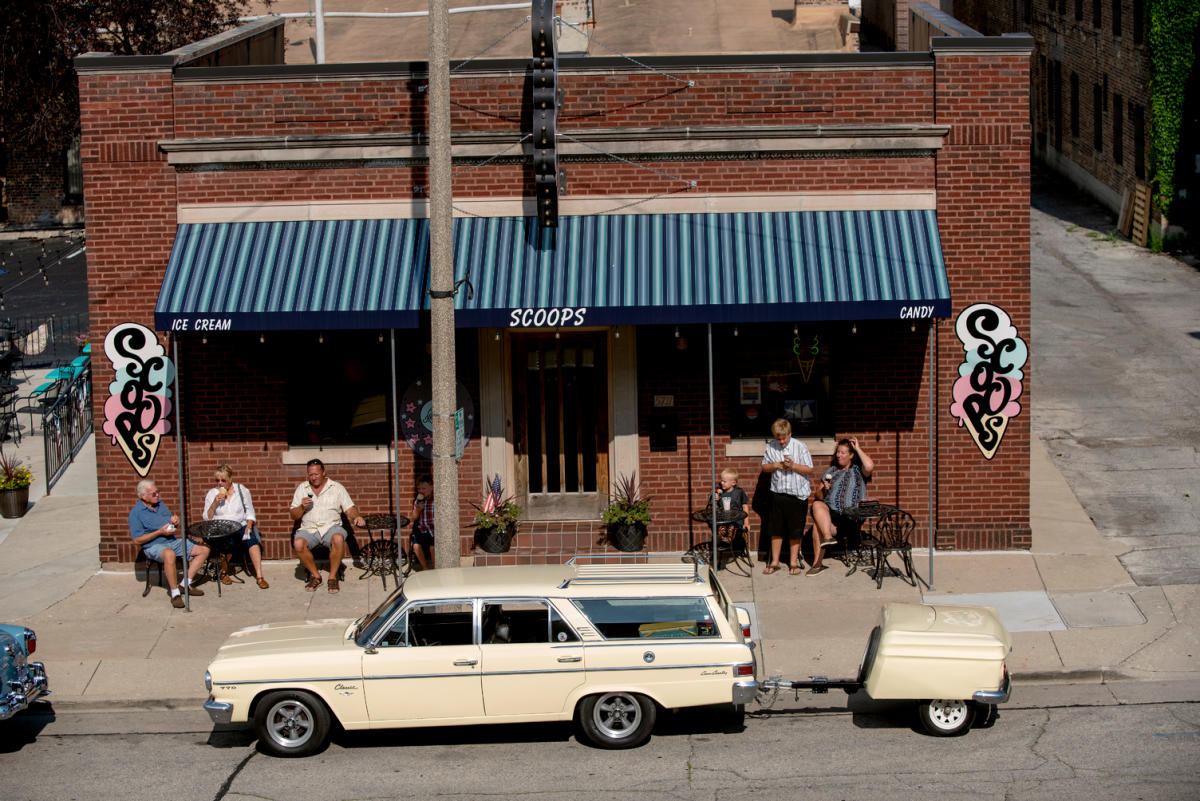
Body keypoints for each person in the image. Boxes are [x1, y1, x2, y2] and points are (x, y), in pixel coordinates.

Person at [129, 479, 209, 608]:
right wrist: (158, 532)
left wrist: (175, 521)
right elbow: (136, 540)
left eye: (158, 492)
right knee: (169, 554)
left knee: (203, 549)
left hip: (171, 541)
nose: (157, 495)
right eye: (153, 494)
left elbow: (171, 523)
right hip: (153, 546)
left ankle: (184, 584)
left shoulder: (160, 504)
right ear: (143, 496)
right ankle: (175, 593)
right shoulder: (136, 513)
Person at [289, 459, 366, 593]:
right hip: (310, 528)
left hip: (331, 527)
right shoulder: (302, 488)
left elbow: (349, 508)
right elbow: (294, 515)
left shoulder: (336, 487)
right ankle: (316, 576)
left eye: (316, 474)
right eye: (310, 475)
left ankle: (332, 577)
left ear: (324, 472)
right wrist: (302, 507)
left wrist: (357, 516)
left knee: (338, 538)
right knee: (298, 543)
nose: (313, 478)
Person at [808, 437, 875, 575]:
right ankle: (825, 544)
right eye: (838, 452)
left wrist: (857, 448)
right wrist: (824, 489)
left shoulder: (858, 470)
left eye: (843, 452)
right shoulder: (831, 470)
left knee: (817, 525)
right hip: (832, 516)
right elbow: (818, 495)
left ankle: (820, 556)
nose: (839, 455)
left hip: (851, 516)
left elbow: (869, 466)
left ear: (851, 455)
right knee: (817, 504)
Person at [759, 418, 813, 575]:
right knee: (776, 529)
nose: (781, 441)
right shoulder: (771, 446)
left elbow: (809, 469)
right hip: (778, 493)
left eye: (784, 438)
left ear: (790, 434)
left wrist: (793, 466)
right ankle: (775, 561)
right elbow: (764, 467)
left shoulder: (800, 446)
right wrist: (776, 465)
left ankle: (793, 562)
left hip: (797, 494)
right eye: (778, 438)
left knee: (795, 530)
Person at [202, 463, 269, 589]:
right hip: (222, 527)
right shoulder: (212, 493)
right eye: (217, 480)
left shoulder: (241, 490)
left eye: (223, 480)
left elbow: (250, 512)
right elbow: (207, 517)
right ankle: (223, 572)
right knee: (225, 542)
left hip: (240, 525)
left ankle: (260, 576)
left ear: (230, 478)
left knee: (252, 541)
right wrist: (215, 502)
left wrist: (248, 527)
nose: (220, 483)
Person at [711, 467, 752, 542]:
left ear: (733, 483)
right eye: (721, 480)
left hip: (737, 519)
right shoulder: (720, 492)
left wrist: (746, 522)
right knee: (720, 528)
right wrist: (715, 500)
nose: (722, 483)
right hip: (724, 518)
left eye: (724, 481)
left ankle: (729, 540)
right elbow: (714, 507)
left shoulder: (739, 492)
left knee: (732, 527)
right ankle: (724, 541)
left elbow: (745, 507)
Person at [411, 476, 434, 570]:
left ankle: (436, 568)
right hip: (422, 529)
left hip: (433, 529)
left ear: (431, 487)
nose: (421, 491)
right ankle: (425, 568)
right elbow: (413, 517)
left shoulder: (435, 500)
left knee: (433, 548)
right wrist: (418, 509)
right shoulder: (418, 501)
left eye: (424, 488)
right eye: (419, 489)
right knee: (416, 546)